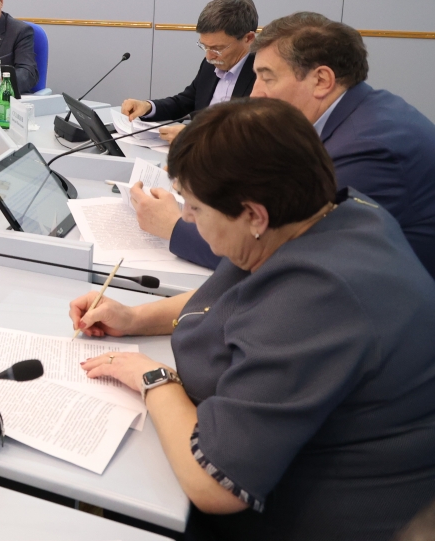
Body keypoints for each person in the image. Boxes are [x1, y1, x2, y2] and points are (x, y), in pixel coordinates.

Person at [71, 98, 435, 541]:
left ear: (253, 216)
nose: (185, 217)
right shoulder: (328, 214)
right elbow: (231, 296)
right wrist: (134, 318)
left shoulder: (320, 301)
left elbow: (215, 484)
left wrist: (153, 379)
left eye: (195, 208)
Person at [130, 12, 435, 276]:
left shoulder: (369, 150)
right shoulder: (354, 114)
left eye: (267, 78)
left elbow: (284, 255)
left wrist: (174, 225)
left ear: (321, 80)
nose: (256, 93)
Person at [121, 0, 257, 143]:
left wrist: (194, 135)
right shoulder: (211, 64)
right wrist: (147, 107)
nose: (208, 56)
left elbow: (253, 132)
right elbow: (184, 103)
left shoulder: (263, 74)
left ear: (248, 38)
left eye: (217, 48)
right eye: (204, 46)